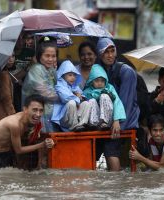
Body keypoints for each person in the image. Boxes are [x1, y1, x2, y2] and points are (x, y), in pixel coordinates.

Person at [96, 37, 140, 171]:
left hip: (125, 120)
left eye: (112, 51)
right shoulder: (100, 71)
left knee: (110, 149)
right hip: (109, 121)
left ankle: (116, 182)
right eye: (106, 52)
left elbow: (126, 102)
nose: (110, 55)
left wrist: (118, 122)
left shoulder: (126, 72)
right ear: (100, 54)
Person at [0, 94, 55, 170]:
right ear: (25, 109)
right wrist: (42, 145)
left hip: (6, 153)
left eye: (41, 111)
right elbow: (18, 150)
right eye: (34, 110)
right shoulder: (15, 124)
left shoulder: (33, 121)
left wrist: (40, 164)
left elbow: (38, 140)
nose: (38, 114)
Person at [22, 36, 59, 133]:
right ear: (39, 56)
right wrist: (65, 97)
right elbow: (46, 93)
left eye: (53, 56)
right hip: (36, 114)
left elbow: (58, 86)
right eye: (47, 56)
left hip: (48, 114)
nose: (50, 59)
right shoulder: (36, 69)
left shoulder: (51, 69)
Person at [51, 60, 91, 131]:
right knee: (71, 102)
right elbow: (65, 97)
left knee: (87, 103)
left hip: (75, 116)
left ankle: (81, 125)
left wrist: (81, 98)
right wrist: (77, 98)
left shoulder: (74, 86)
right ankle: (74, 126)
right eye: (70, 75)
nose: (73, 77)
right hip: (63, 118)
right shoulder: (59, 84)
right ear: (63, 75)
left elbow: (82, 96)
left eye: (74, 75)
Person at [83, 64, 126, 130]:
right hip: (94, 122)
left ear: (105, 80)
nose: (100, 83)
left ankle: (104, 122)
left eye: (102, 80)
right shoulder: (87, 91)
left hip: (108, 120)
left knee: (104, 96)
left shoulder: (109, 88)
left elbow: (117, 102)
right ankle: (93, 124)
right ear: (91, 81)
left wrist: (116, 120)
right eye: (97, 80)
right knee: (91, 101)